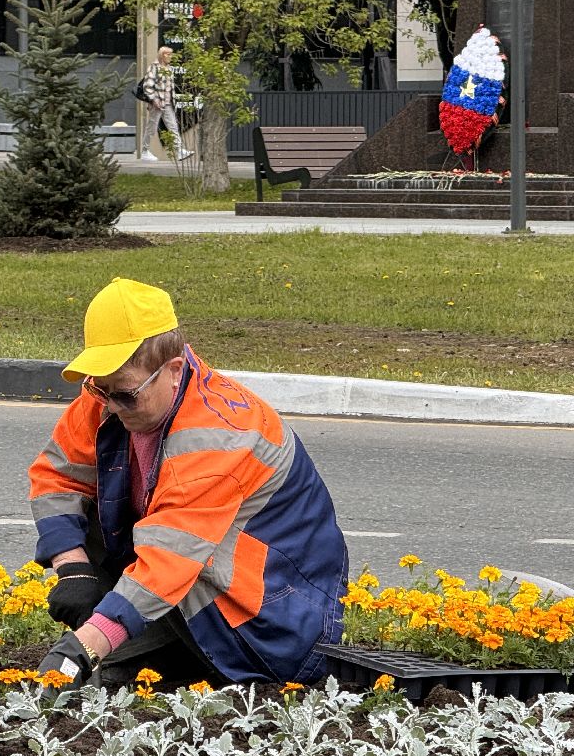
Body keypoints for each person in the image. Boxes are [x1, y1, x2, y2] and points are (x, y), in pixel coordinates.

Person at [29, 278, 349, 693]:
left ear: (174, 371)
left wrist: (83, 648)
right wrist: (72, 571)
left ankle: (177, 655)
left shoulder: (221, 434)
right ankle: (148, 645)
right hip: (194, 597)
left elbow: (171, 556)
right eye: (99, 389)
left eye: (124, 395)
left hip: (275, 628)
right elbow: (57, 476)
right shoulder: (116, 389)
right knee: (87, 514)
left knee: (176, 555)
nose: (109, 406)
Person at [139, 46, 193, 162]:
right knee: (152, 128)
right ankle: (144, 151)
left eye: (170, 54)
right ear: (161, 55)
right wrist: (154, 99)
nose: (170, 57)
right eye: (167, 54)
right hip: (157, 104)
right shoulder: (154, 67)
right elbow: (147, 86)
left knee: (173, 126)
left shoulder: (168, 68)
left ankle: (179, 151)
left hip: (167, 103)